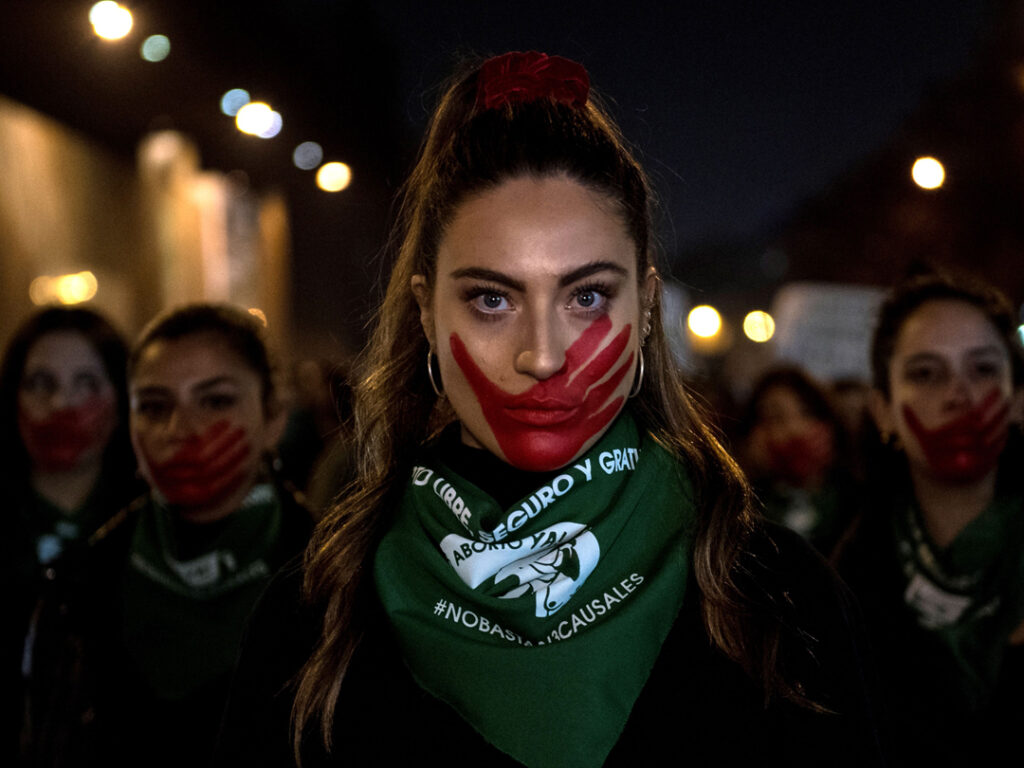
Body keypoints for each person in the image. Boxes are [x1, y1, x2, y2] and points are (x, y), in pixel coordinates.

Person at [216, 52, 882, 767]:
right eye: (492, 299)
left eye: (586, 296)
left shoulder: (783, 601)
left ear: (648, 308)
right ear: (426, 312)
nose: (543, 354)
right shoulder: (317, 617)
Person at [21, 303, 313, 767]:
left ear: (273, 416)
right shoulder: (78, 586)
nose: (182, 430)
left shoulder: (334, 577)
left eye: (215, 401)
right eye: (155, 407)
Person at [832, 270, 1024, 766]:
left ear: (1018, 398)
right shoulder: (838, 589)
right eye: (926, 373)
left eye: (982, 369)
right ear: (884, 412)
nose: (960, 395)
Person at [0, 307, 138, 762]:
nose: (62, 404)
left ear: (121, 398)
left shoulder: (152, 521)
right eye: (41, 383)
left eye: (87, 384)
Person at [739, 365, 859, 554]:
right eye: (776, 417)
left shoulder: (859, 506)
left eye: (807, 413)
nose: (795, 429)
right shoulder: (740, 514)